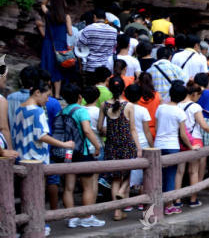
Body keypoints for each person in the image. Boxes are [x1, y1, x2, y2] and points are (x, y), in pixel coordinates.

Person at [13, 80, 75, 232]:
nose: (48, 100)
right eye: (47, 96)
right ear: (37, 93)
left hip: (21, 157)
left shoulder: (18, 109)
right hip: (36, 157)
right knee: (37, 193)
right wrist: (64, 144)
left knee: (25, 194)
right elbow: (41, 135)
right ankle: (39, 225)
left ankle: (26, 225)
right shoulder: (38, 111)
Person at [57, 84, 104, 228]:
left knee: (68, 188)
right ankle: (87, 216)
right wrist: (97, 146)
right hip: (82, 152)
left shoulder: (62, 112)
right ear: (79, 96)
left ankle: (71, 218)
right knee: (88, 188)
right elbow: (87, 131)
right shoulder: (81, 111)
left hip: (68, 153)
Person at [98, 77, 140, 221]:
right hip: (126, 144)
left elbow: (99, 127)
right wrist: (139, 148)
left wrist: (107, 130)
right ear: (123, 88)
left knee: (115, 178)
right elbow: (133, 129)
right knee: (129, 172)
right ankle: (123, 190)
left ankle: (117, 212)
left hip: (111, 145)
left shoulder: (104, 105)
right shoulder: (128, 106)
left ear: (109, 88)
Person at [178, 80, 209, 208]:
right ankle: (193, 200)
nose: (198, 98)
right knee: (193, 172)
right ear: (194, 95)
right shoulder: (195, 107)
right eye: (198, 96)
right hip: (195, 140)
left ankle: (176, 201)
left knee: (179, 172)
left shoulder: (177, 105)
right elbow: (204, 126)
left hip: (181, 140)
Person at [155, 81, 197, 215]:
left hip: (158, 145)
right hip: (172, 145)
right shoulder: (179, 112)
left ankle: (156, 204)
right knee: (170, 176)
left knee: (158, 176)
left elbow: (156, 127)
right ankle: (168, 205)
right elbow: (183, 135)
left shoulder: (160, 108)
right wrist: (191, 147)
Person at [37, 0, 74, 98]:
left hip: (48, 44)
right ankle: (57, 95)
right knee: (58, 68)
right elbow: (70, 33)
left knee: (48, 67)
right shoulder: (66, 17)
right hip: (60, 45)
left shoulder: (48, 13)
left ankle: (49, 93)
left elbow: (42, 5)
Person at [125, 83, 153, 209]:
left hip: (127, 143)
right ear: (140, 96)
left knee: (126, 173)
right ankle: (142, 202)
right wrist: (152, 145)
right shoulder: (143, 110)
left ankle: (126, 204)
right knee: (143, 175)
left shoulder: (123, 108)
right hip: (142, 142)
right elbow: (147, 131)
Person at [76, 9, 118, 73]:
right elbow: (114, 45)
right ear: (105, 18)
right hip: (107, 65)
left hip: (92, 65)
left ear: (94, 17)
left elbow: (79, 45)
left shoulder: (88, 28)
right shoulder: (114, 31)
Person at [0, 62, 19, 159]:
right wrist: (8, 151)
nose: (5, 79)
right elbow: (3, 128)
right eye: (5, 76)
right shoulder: (1, 100)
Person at [136, 71, 161, 138]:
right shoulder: (158, 96)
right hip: (156, 130)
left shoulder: (136, 98)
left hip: (140, 132)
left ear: (139, 81)